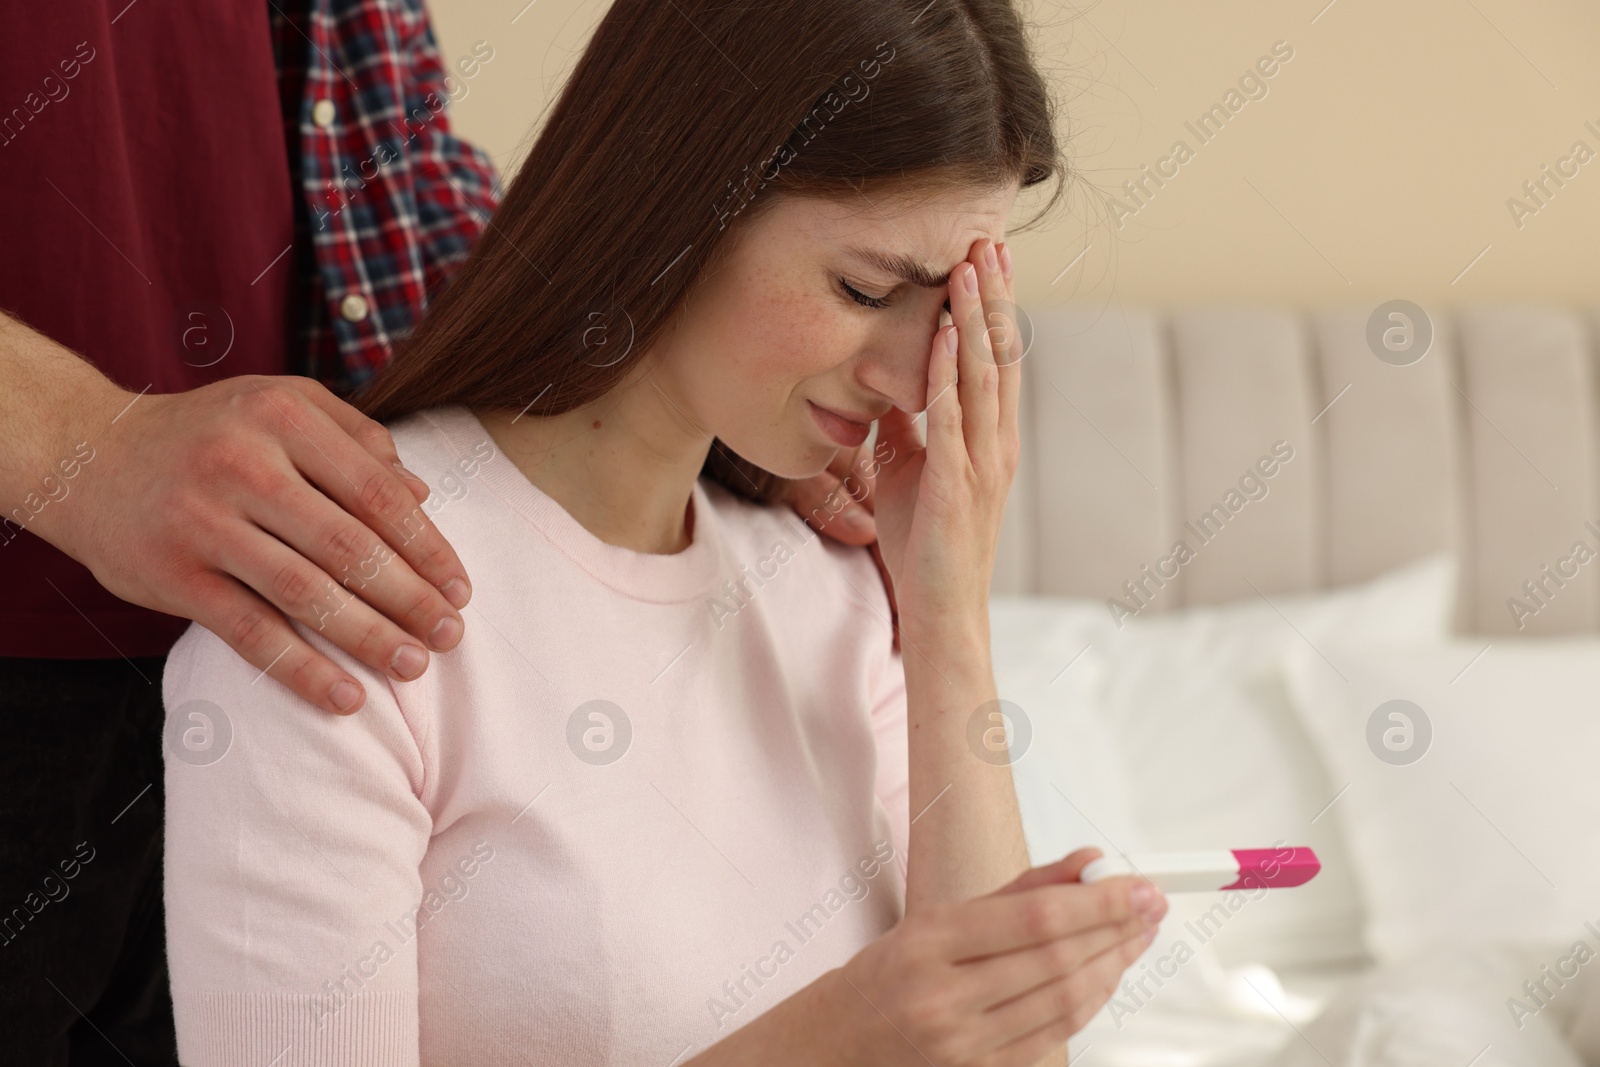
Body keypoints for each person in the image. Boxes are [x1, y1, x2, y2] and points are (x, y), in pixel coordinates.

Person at [161, 0, 1170, 1064]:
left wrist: (947, 613)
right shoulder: (346, 579)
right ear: (678, 198)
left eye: (957, 308)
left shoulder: (827, 594)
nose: (911, 377)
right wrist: (831, 1039)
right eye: (866, 286)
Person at [0, 0, 875, 1062]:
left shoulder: (807, 585)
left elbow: (368, 128)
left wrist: (683, 392)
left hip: (264, 568)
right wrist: (78, 436)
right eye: (869, 284)